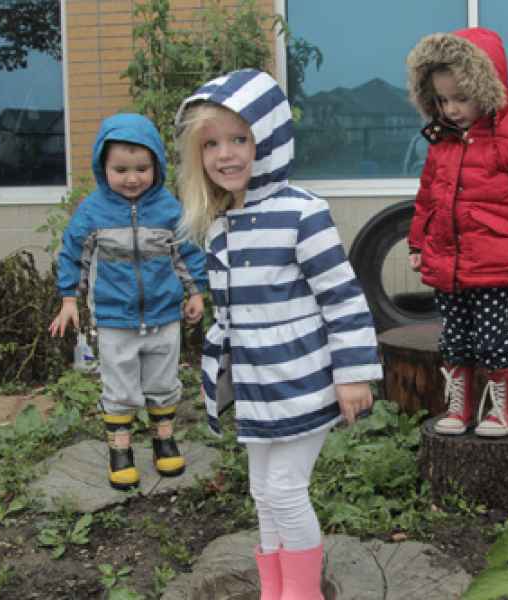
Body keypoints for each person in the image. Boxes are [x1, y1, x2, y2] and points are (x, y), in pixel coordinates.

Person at [174, 68, 383, 600]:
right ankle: (276, 590)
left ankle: (304, 593)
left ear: (268, 138)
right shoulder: (221, 224)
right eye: (212, 143)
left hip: (303, 379)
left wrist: (354, 375)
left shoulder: (302, 213)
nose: (226, 154)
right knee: (262, 492)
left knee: (287, 491)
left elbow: (341, 295)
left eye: (239, 138)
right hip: (256, 389)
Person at [405, 28, 508, 438]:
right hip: (447, 261)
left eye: (461, 98)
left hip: (493, 262)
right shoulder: (443, 141)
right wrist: (418, 242)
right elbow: (428, 197)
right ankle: (461, 406)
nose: (451, 109)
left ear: (487, 88)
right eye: (442, 100)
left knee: (492, 339)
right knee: (454, 338)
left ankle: (504, 408)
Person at [49, 113, 207, 491]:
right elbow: (73, 254)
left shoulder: (168, 209)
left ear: (156, 165)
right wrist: (69, 298)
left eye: (141, 168)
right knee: (119, 386)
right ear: (104, 168)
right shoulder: (93, 212)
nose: (132, 178)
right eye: (121, 169)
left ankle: (164, 440)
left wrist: (196, 291)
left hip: (164, 315)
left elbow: (187, 253)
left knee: (163, 381)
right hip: (115, 318)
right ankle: (120, 450)